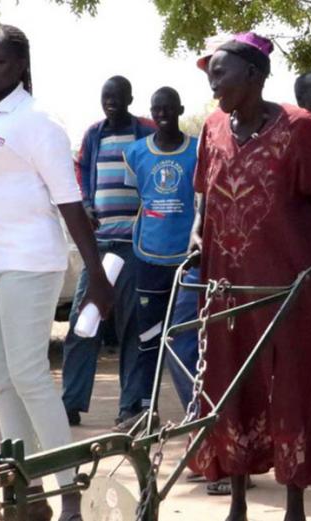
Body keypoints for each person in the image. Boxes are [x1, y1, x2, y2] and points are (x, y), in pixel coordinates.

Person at [0, 23, 113, 521]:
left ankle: (68, 493)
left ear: (21, 66)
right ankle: (25, 495)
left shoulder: (37, 121)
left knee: (30, 375)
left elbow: (69, 203)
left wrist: (97, 275)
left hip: (29, 260)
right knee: (0, 379)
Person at [190, 32, 311, 521]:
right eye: (210, 74)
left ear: (254, 74)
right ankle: (239, 502)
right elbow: (207, 191)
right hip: (227, 286)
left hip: (291, 286)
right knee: (229, 384)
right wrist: (198, 232)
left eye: (220, 72)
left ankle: (294, 507)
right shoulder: (213, 128)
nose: (213, 83)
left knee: (293, 387)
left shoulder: (299, 127)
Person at [63, 75, 157, 428]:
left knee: (132, 325)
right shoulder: (93, 134)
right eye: (106, 97)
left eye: (117, 97)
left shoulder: (145, 131)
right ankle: (71, 403)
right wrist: (86, 204)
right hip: (98, 245)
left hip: (135, 245)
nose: (111, 102)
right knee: (83, 322)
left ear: (130, 98)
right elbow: (81, 172)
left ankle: (129, 406)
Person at [122, 86, 199, 410]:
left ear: (180, 109)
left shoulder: (198, 150)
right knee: (149, 338)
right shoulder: (136, 153)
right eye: (157, 109)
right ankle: (143, 407)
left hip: (188, 258)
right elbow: (136, 199)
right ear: (151, 113)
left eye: (168, 108)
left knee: (189, 338)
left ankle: (197, 408)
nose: (163, 114)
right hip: (148, 254)